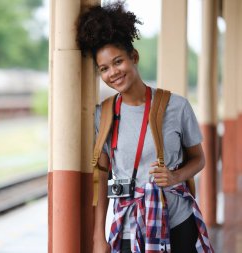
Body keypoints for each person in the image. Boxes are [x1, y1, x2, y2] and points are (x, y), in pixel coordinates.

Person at [76, 2, 214, 253]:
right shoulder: (103, 115)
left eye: (118, 62)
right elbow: (103, 176)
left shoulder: (177, 106)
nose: (113, 73)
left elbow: (199, 159)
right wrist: (99, 237)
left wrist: (175, 176)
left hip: (178, 223)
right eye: (104, 69)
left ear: (134, 57)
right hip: (129, 227)